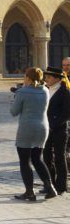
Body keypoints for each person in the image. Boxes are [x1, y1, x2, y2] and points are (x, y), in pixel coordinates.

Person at [10, 67, 56, 201]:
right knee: (37, 159)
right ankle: (50, 187)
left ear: (28, 78)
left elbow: (14, 112)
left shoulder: (23, 92)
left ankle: (29, 192)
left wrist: (16, 96)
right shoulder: (45, 90)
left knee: (25, 161)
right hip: (42, 127)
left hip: (27, 128)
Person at [42, 66, 70, 195]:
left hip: (59, 130)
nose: (46, 79)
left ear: (57, 79)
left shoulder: (65, 91)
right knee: (46, 157)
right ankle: (49, 184)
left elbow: (67, 113)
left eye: (48, 77)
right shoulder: (45, 90)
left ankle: (61, 185)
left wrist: (53, 125)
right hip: (46, 129)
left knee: (59, 157)